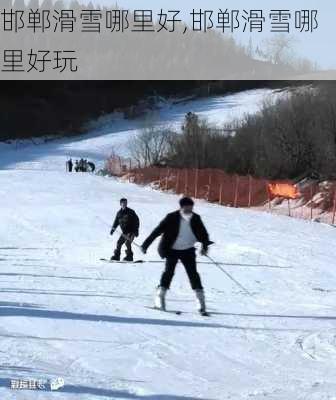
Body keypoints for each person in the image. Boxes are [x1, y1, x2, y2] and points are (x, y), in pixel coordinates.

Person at [141, 197, 212, 315]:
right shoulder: (171, 217)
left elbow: (204, 234)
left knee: (193, 274)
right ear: (182, 207)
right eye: (187, 207)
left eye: (191, 207)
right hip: (172, 250)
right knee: (168, 272)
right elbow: (157, 231)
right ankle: (160, 297)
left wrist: (205, 247)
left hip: (188, 250)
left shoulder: (196, 218)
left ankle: (201, 302)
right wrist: (145, 245)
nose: (190, 209)